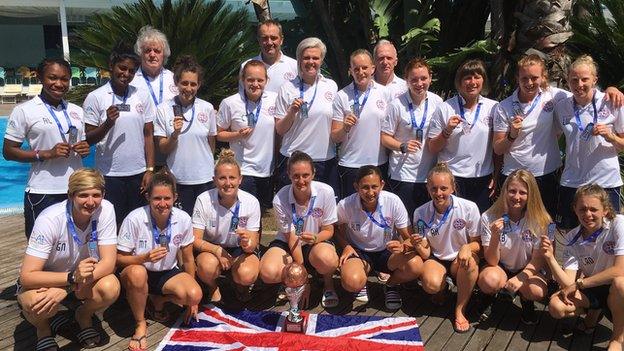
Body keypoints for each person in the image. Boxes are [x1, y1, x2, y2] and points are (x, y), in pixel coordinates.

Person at [493, 54, 624, 218]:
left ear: (543, 78)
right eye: (524, 78)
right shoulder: (504, 106)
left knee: (549, 227)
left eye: (534, 77)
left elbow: (585, 93)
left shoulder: (556, 97)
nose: (529, 83)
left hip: (548, 175)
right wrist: (512, 135)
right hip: (515, 176)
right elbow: (498, 149)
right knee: (512, 225)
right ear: (517, 77)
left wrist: (612, 89)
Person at [18, 168, 120, 350]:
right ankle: (43, 329)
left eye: (96, 195)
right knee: (36, 304)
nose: (91, 202)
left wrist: (70, 286)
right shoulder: (50, 219)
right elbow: (27, 276)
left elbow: (108, 263)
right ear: (70, 195)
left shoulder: (106, 209)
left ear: (103, 194)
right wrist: (70, 280)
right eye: (83, 195)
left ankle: (83, 315)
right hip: (46, 280)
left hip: (78, 279)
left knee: (110, 287)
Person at [3, 58, 90, 238]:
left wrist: (84, 148)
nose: (59, 84)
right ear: (41, 78)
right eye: (52, 78)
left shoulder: (76, 111)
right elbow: (8, 151)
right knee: (41, 246)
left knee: (76, 243)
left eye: (64, 79)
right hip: (43, 191)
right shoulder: (25, 110)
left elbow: (81, 142)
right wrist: (45, 154)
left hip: (75, 190)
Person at [117, 170, 201, 351]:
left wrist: (192, 302)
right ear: (148, 197)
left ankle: (157, 300)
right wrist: (143, 258)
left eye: (167, 198)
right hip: (138, 271)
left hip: (167, 273)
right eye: (157, 198)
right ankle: (140, 323)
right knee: (138, 273)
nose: (162, 204)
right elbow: (118, 259)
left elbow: (187, 258)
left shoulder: (183, 218)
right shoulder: (134, 218)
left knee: (194, 294)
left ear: (175, 197)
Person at [544, 184, 624, 351]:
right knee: (556, 306)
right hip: (593, 286)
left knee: (620, 283)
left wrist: (579, 284)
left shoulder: (618, 224)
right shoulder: (572, 237)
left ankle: (617, 338)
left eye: (594, 209)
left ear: (605, 210)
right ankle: (595, 311)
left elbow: (620, 270)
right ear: (575, 209)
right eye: (583, 209)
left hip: (617, 288)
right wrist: (550, 258)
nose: (588, 214)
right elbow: (568, 282)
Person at [335, 165, 428, 309]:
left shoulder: (393, 201)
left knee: (416, 265)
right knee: (351, 282)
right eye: (365, 187)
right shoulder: (346, 204)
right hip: (358, 252)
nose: (370, 192)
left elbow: (408, 236)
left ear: (382, 185)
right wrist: (346, 246)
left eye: (374, 187)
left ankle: (391, 285)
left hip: (387, 252)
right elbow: (335, 228)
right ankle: (361, 281)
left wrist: (403, 246)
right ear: (356, 187)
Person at [84, 44, 156, 226]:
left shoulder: (141, 96)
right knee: (112, 223)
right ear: (111, 66)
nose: (126, 74)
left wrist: (150, 169)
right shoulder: (96, 97)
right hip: (110, 174)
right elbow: (89, 139)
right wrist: (107, 123)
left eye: (131, 71)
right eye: (122, 68)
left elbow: (148, 134)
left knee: (138, 223)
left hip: (138, 174)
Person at [259, 151, 340, 308]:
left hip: (316, 240)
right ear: (289, 174)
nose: (301, 180)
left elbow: (329, 230)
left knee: (328, 259)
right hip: (289, 242)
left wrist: (315, 238)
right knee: (267, 272)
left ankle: (328, 285)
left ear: (313, 174)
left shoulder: (326, 191)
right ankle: (291, 282)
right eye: (296, 176)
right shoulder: (280, 199)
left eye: (305, 175)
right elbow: (291, 237)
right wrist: (303, 278)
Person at [553, 55, 624, 229]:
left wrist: (611, 137)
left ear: (594, 80)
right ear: (568, 81)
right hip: (572, 182)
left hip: (605, 181)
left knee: (607, 237)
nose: (579, 85)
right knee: (568, 234)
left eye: (585, 79)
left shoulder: (611, 102)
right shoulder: (562, 106)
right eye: (574, 80)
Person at [477, 169, 553, 325]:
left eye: (523, 193)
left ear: (531, 195)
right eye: (512, 191)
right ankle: (490, 297)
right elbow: (491, 260)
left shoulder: (544, 220)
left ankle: (526, 301)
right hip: (500, 266)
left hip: (529, 267)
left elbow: (539, 259)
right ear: (504, 191)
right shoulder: (489, 216)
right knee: (488, 280)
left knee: (537, 291)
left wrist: (521, 277)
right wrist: (495, 237)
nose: (516, 197)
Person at [413, 163, 481, 333]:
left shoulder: (469, 208)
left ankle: (460, 309)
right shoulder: (420, 213)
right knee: (430, 284)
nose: (438, 193)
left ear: (453, 187)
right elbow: (426, 251)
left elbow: (478, 243)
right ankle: (442, 289)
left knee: (470, 262)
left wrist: (467, 247)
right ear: (427, 188)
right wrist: (418, 244)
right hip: (437, 258)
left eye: (444, 188)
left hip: (460, 258)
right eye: (434, 188)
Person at [428, 59, 499, 212]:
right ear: (459, 82)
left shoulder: (493, 107)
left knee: (479, 226)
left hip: (482, 177)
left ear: (483, 80)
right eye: (467, 78)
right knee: (454, 225)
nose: (472, 82)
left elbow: (497, 147)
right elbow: (432, 147)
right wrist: (447, 131)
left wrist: (497, 174)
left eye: (477, 77)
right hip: (453, 177)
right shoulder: (445, 108)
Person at [192, 149, 261, 302]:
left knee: (247, 274)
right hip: (212, 248)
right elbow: (195, 239)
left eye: (232, 178)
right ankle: (213, 287)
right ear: (214, 180)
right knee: (207, 267)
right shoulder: (203, 199)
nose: (228, 183)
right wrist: (217, 250)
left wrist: (246, 243)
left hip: (239, 249)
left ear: (240, 179)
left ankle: (240, 286)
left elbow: (253, 244)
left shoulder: (251, 202)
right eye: (222, 178)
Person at [274, 37, 339, 195]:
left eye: (315, 58)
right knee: (293, 209)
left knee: (324, 210)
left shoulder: (331, 86)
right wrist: (291, 112)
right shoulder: (287, 88)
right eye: (306, 57)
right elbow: (280, 130)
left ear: (321, 60)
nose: (311, 62)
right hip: (294, 159)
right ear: (299, 60)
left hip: (324, 158)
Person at [154, 55, 217, 215]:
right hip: (178, 179)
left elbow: (211, 143)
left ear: (199, 85)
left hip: (204, 179)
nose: (188, 88)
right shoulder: (164, 109)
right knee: (181, 224)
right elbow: (162, 148)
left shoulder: (207, 108)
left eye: (193, 84)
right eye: (184, 83)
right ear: (176, 82)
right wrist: (175, 134)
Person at [381, 58, 444, 217]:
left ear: (430, 77)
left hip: (429, 176)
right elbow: (384, 137)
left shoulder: (437, 102)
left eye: (423, 78)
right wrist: (401, 146)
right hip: (403, 175)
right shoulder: (396, 104)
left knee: (426, 223)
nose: (419, 83)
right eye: (414, 80)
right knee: (405, 223)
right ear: (407, 81)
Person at [331, 49, 391, 199]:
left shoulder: (385, 94)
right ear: (350, 71)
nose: (361, 72)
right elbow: (335, 137)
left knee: (378, 210)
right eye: (356, 68)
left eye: (364, 68)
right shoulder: (342, 96)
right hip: (350, 164)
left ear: (372, 68)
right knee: (349, 212)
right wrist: (344, 128)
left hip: (378, 162)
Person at [218, 60, 277, 209]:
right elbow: (218, 134)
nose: (255, 84)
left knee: (260, 214)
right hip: (243, 169)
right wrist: (236, 134)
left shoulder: (274, 99)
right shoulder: (230, 103)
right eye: (250, 80)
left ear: (266, 81)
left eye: (260, 80)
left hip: (267, 170)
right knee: (242, 211)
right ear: (242, 80)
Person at [242, 19, 298, 93]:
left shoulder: (295, 66)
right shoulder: (246, 66)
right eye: (264, 38)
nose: (269, 42)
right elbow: (242, 99)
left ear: (281, 40)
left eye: (273, 38)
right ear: (258, 40)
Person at [130, 25, 177, 107]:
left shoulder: (174, 79)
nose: (152, 54)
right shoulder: (131, 81)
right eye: (148, 50)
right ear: (140, 54)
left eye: (157, 51)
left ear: (164, 54)